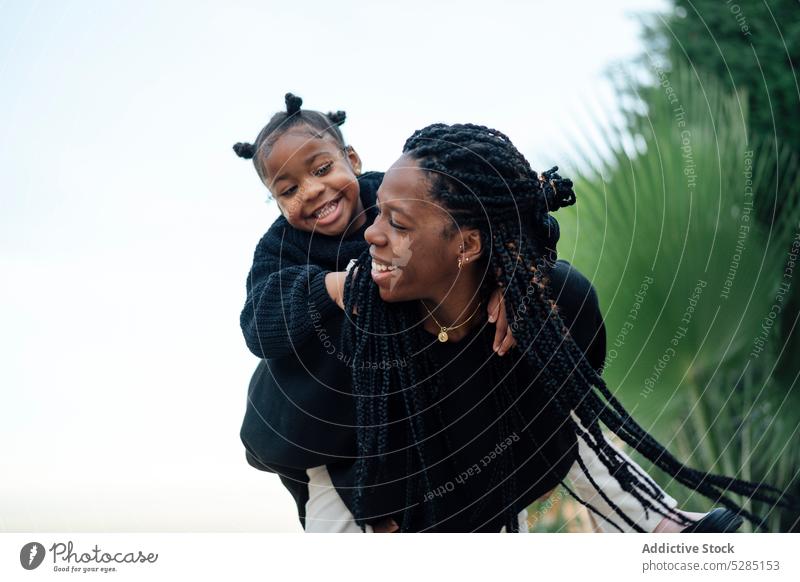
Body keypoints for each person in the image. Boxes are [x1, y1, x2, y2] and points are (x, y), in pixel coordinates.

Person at [333, 123, 796, 532]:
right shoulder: (356, 316)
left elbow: (529, 226)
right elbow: (282, 439)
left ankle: (659, 527)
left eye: (397, 223)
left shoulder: (549, 304)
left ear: (468, 245)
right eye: (377, 213)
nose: (371, 233)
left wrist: (524, 278)